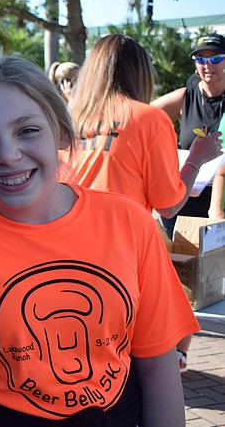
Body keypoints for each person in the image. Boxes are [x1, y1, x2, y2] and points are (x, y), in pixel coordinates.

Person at [0, 56, 199, 427]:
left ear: (62, 134)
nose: (8, 155)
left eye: (27, 131)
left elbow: (157, 363)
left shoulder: (129, 223)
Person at [69, 34, 221, 374]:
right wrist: (196, 159)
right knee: (172, 328)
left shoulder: (71, 118)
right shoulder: (148, 119)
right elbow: (169, 204)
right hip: (125, 246)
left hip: (70, 241)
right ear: (140, 72)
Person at [153, 33, 225, 236]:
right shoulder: (187, 95)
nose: (207, 65)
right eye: (200, 59)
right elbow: (141, 116)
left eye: (215, 58)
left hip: (219, 200)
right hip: (185, 196)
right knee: (180, 254)